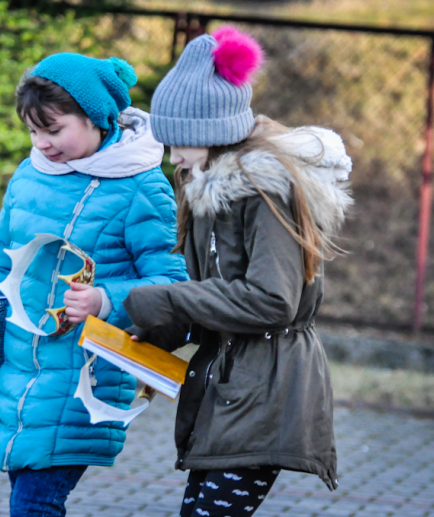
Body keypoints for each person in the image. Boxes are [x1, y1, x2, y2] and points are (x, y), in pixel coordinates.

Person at [122, 27, 353, 517]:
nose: (172, 157)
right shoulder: (204, 188)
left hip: (268, 387)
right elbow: (206, 299)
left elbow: (272, 301)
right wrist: (147, 339)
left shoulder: (265, 192)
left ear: (211, 131)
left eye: (179, 142)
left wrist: (170, 300)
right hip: (226, 387)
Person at [0, 52, 187, 517]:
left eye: (54, 130)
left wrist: (105, 298)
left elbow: (173, 283)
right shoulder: (28, 175)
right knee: (29, 494)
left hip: (82, 379)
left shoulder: (141, 186)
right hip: (19, 373)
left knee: (34, 503)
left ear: (97, 117)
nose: (42, 143)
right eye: (33, 131)